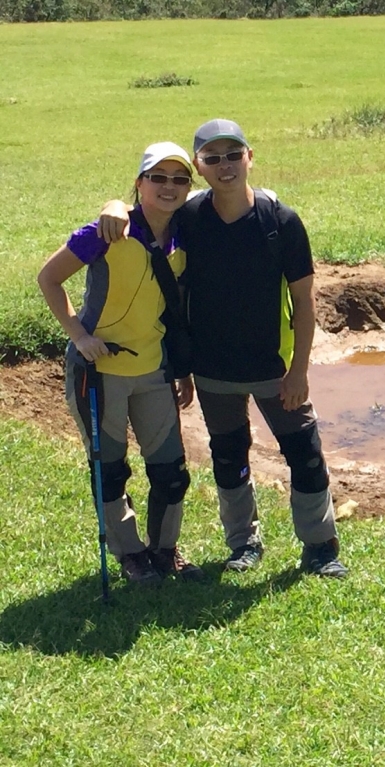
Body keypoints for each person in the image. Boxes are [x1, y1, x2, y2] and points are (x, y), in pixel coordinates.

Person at [99, 119, 347, 579]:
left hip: (275, 368)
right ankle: (243, 542)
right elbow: (143, 212)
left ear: (250, 157)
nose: (225, 165)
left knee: (305, 452)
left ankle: (320, 546)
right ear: (199, 166)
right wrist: (114, 203)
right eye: (212, 158)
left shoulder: (281, 222)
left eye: (233, 154)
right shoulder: (189, 219)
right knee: (229, 455)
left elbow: (304, 302)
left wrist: (300, 371)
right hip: (213, 371)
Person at [38, 142, 202, 584]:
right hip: (99, 372)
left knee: (170, 470)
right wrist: (79, 336)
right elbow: (49, 278)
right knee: (109, 471)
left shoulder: (184, 234)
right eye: (158, 178)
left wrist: (181, 369)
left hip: (154, 370)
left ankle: (165, 551)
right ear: (139, 183)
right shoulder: (107, 230)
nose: (169, 187)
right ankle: (130, 554)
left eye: (179, 179)